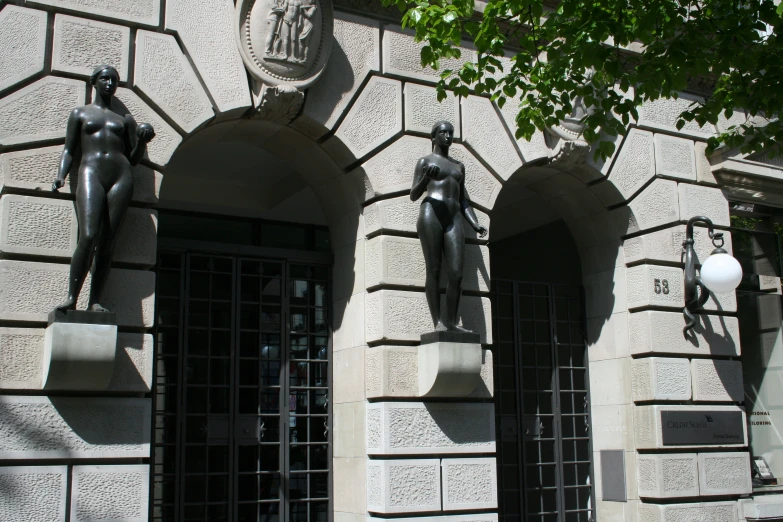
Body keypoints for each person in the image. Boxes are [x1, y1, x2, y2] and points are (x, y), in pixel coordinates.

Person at [52, 64, 155, 312]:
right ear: (94, 82)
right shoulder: (80, 113)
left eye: (114, 80)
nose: (110, 83)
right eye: (105, 79)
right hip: (91, 172)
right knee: (88, 236)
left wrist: (141, 141)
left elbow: (133, 159)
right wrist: (60, 175)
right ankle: (71, 298)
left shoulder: (125, 120)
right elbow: (69, 150)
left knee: (108, 242)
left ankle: (95, 300)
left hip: (121, 176)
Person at [410, 121, 488, 333]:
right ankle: (438, 322)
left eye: (450, 132)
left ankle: (452, 322)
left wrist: (475, 223)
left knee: (456, 274)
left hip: (454, 218)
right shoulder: (425, 161)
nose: (447, 135)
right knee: (434, 269)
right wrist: (426, 177)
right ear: (433, 137)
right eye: (443, 132)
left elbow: (463, 200)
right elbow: (413, 195)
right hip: (431, 214)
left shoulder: (458, 166)